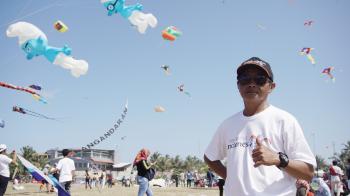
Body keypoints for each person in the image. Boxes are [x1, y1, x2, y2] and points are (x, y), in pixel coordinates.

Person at [204, 57, 316, 195]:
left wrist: (279, 160)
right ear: (238, 85)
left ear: (271, 87)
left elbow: (308, 173)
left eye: (260, 79)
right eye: (245, 78)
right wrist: (232, 178)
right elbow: (210, 157)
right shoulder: (228, 125)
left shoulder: (285, 120)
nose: (251, 84)